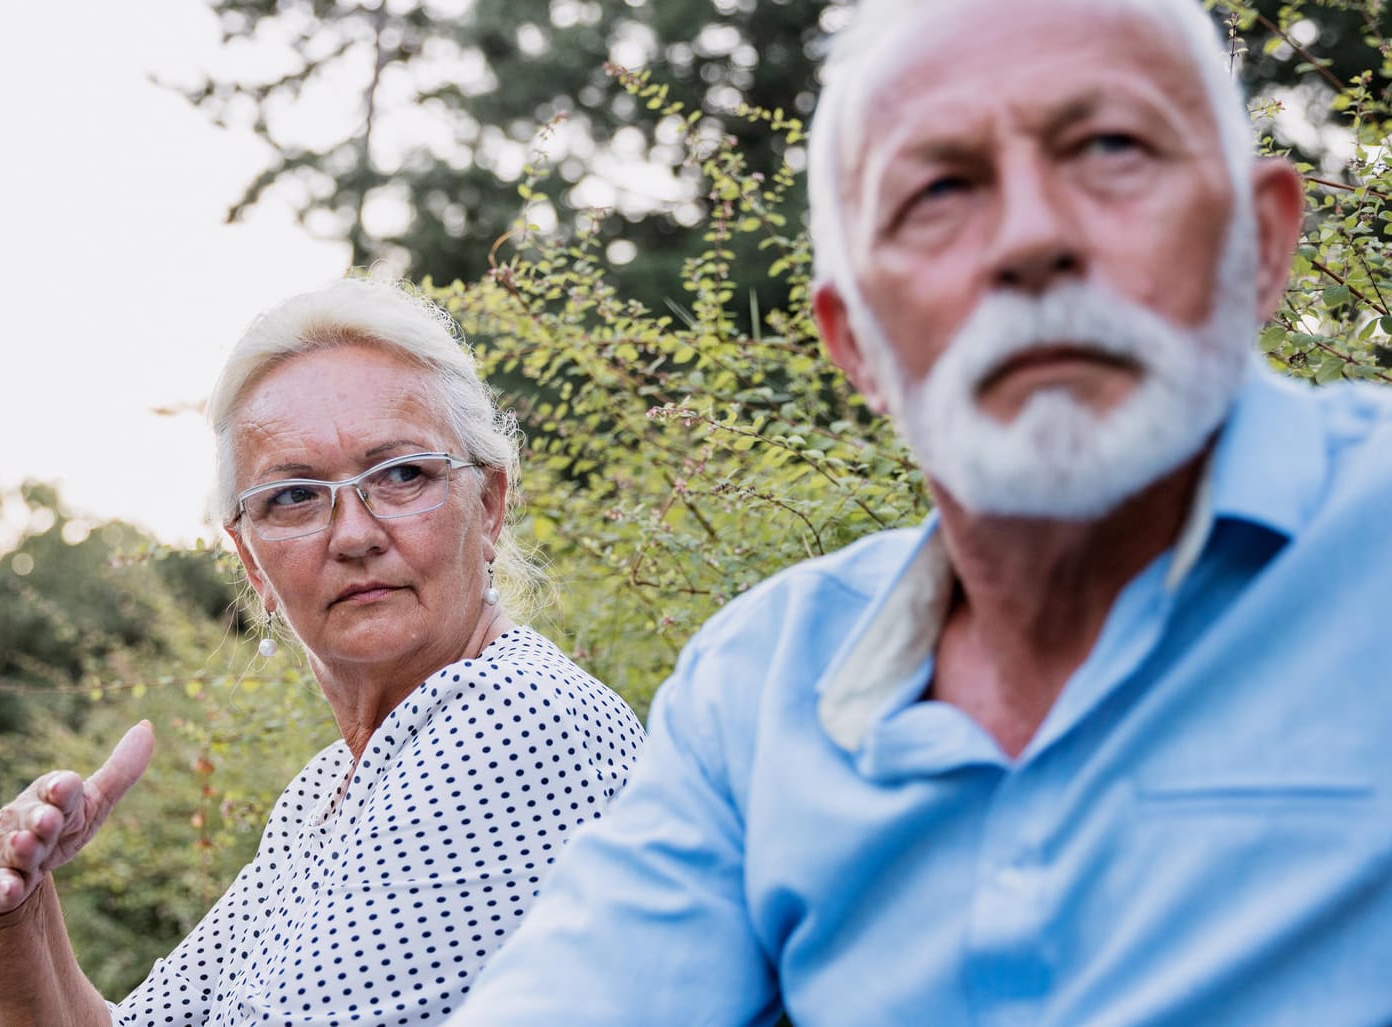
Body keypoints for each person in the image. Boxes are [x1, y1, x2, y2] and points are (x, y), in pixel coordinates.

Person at [445, 0, 1392, 1024]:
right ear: (855, 344)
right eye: (938, 190)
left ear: (1259, 242)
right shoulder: (757, 690)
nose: (1032, 238)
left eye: (1112, 148)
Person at [0, 277, 644, 1026]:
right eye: (294, 496)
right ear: (252, 563)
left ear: (488, 506)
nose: (353, 534)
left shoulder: (512, 720)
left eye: (403, 474)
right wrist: (12, 918)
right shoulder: (325, 792)